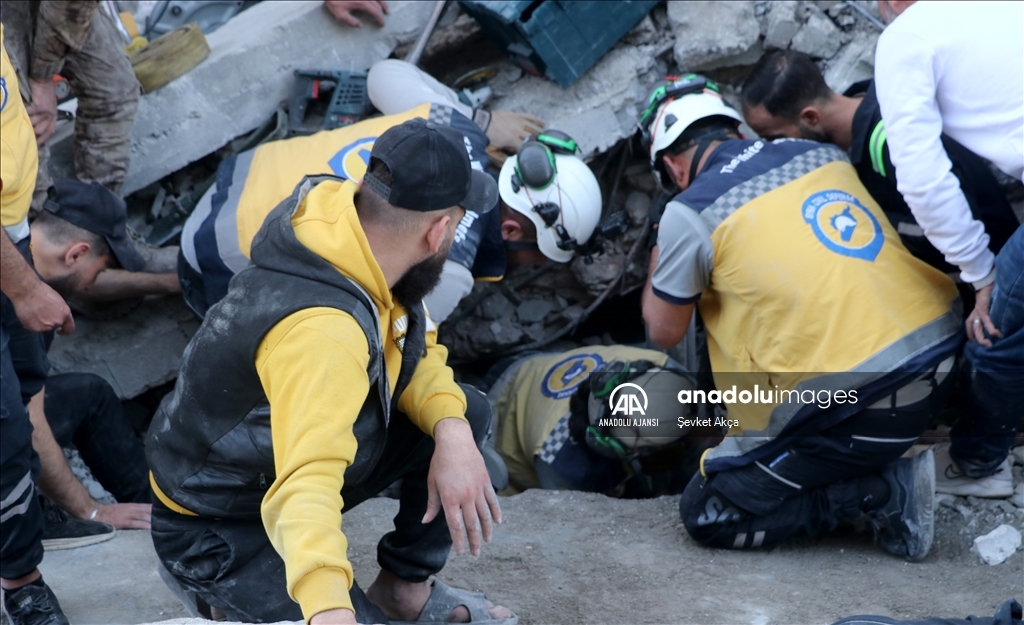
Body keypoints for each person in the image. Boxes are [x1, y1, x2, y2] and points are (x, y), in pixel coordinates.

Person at [147, 119, 515, 624]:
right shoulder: (326, 331)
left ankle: (401, 590)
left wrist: (451, 433)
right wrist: (330, 610)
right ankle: (219, 591)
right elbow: (307, 484)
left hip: (260, 474)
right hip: (216, 528)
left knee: (462, 413)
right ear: (439, 232)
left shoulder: (350, 234)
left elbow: (413, 351)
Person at [638, 75, 962, 561]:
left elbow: (663, 330)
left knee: (707, 512)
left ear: (672, 167)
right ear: (735, 130)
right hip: (944, 360)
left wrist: (663, 249)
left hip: (861, 404)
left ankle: (884, 494)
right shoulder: (818, 154)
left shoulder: (689, 210)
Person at [179, 59, 600, 322]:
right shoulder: (450, 271)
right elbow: (387, 342)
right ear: (509, 232)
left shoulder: (456, 126)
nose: (529, 264)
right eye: (535, 255)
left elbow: (384, 75)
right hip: (217, 256)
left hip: (242, 173)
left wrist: (480, 119)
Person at [2, 30, 147, 625]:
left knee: (78, 392)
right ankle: (23, 578)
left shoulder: (26, 237)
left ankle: (162, 510)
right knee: (11, 421)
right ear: (77, 250)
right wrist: (90, 510)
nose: (97, 285)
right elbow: (29, 418)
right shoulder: (27, 290)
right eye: (102, 270)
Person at [873, 0, 1024, 498]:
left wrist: (980, 273)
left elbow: (921, 179)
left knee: (995, 330)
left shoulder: (906, 38)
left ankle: (979, 465)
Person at [739, 49, 1019, 277]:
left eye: (776, 137)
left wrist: (871, 223)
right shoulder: (880, 100)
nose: (777, 148)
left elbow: (954, 217)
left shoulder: (891, 141)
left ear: (811, 117)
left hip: (997, 272)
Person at [486, 345, 720, 496]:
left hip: (536, 359)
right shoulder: (563, 461)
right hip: (500, 410)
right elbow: (575, 523)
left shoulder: (668, 375)